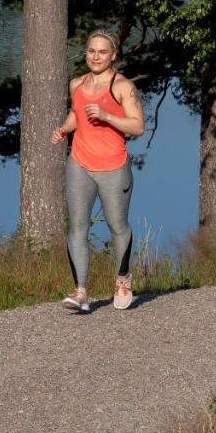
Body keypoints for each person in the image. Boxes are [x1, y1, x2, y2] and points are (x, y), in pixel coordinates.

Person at [50, 29, 145, 313]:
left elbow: (138, 126)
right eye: (92, 51)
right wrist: (64, 129)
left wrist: (106, 116)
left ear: (113, 55)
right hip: (79, 163)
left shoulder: (122, 87)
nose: (96, 56)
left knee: (117, 227)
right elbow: (76, 113)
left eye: (102, 52)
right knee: (78, 227)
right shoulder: (76, 83)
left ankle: (122, 279)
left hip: (113, 167)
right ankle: (81, 292)